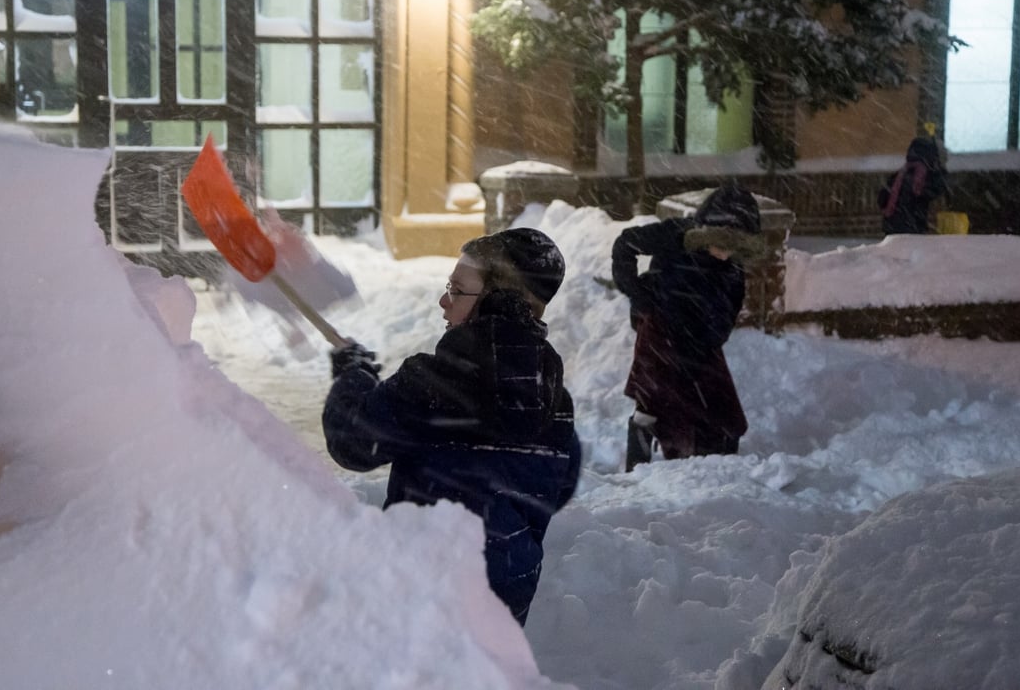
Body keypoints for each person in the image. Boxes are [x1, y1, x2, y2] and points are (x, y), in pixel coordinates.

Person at [322, 228, 580, 626]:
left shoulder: (435, 381)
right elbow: (556, 490)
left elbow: (352, 442)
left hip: (419, 595)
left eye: (458, 290)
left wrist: (353, 376)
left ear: (498, 302)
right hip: (505, 600)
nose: (443, 301)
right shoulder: (556, 402)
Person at [611, 183, 763, 468]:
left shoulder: (732, 268)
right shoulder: (675, 235)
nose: (725, 253)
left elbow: (730, 307)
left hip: (702, 341)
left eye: (734, 246)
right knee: (651, 405)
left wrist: (713, 337)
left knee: (724, 415)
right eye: (722, 243)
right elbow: (625, 245)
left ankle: (718, 473)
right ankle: (635, 474)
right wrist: (637, 294)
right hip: (660, 330)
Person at [878, 136, 948, 235]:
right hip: (910, 227)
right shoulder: (922, 172)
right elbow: (932, 191)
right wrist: (942, 171)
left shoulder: (902, 172)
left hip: (893, 225)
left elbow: (882, 197)